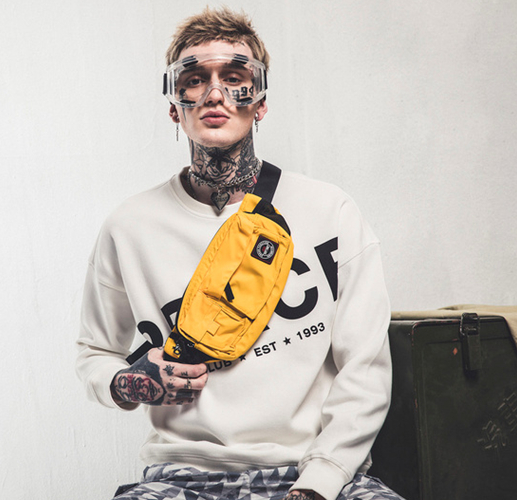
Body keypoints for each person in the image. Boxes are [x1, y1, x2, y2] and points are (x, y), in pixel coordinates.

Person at [76, 7, 403, 500]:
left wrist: (319, 483)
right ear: (174, 107)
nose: (215, 94)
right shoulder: (129, 228)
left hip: (314, 472)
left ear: (260, 102)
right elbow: (94, 353)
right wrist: (129, 382)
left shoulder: (330, 211)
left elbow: (366, 369)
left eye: (234, 78)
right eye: (194, 80)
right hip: (182, 476)